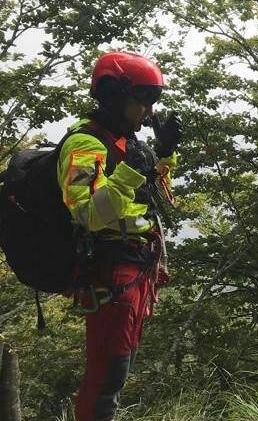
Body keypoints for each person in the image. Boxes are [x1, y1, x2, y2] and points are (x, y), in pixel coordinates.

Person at [59, 51, 182, 421]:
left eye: (153, 102)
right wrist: (131, 171)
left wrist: (164, 154)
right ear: (114, 95)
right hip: (109, 274)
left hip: (135, 269)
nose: (149, 111)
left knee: (118, 366)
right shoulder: (84, 145)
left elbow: (155, 198)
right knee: (108, 372)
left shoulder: (127, 143)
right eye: (143, 101)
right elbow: (89, 214)